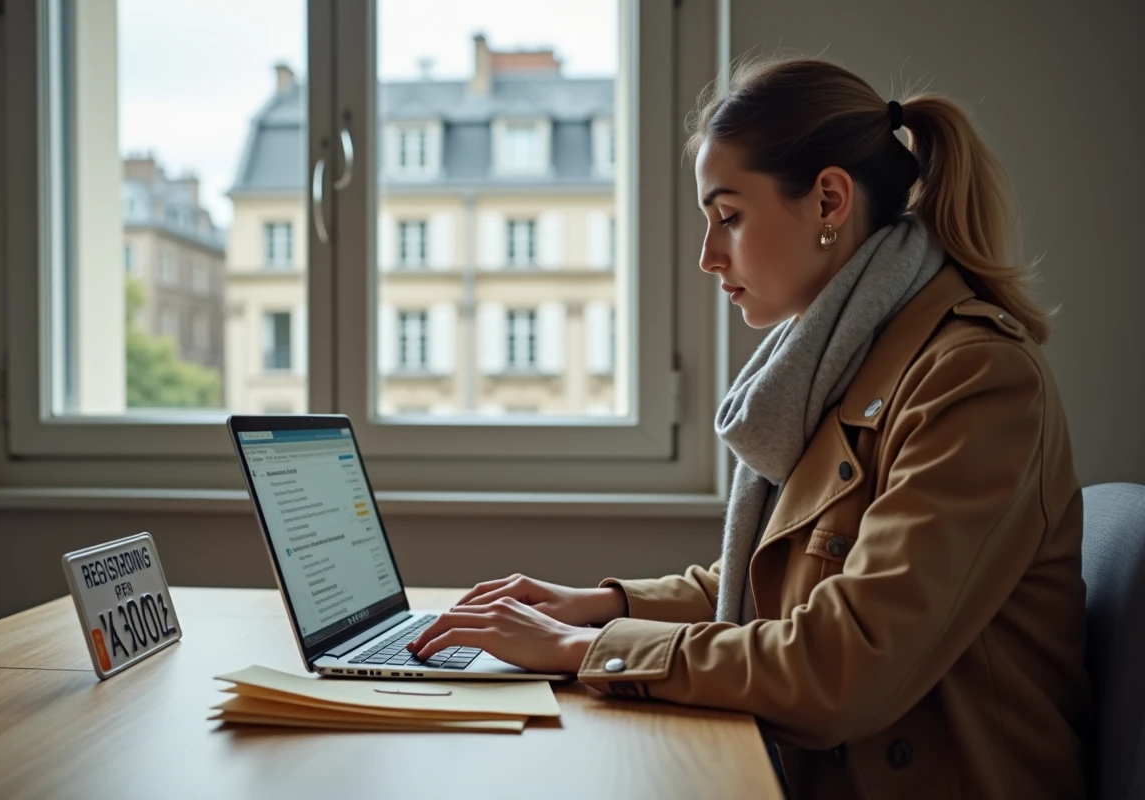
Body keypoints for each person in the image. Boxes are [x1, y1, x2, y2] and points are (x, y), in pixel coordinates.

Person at [408, 56, 1090, 798]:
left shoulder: (974, 380)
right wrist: (605, 605)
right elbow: (781, 582)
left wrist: (585, 649)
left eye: (728, 216)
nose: (708, 256)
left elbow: (844, 666)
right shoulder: (841, 361)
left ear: (829, 199)